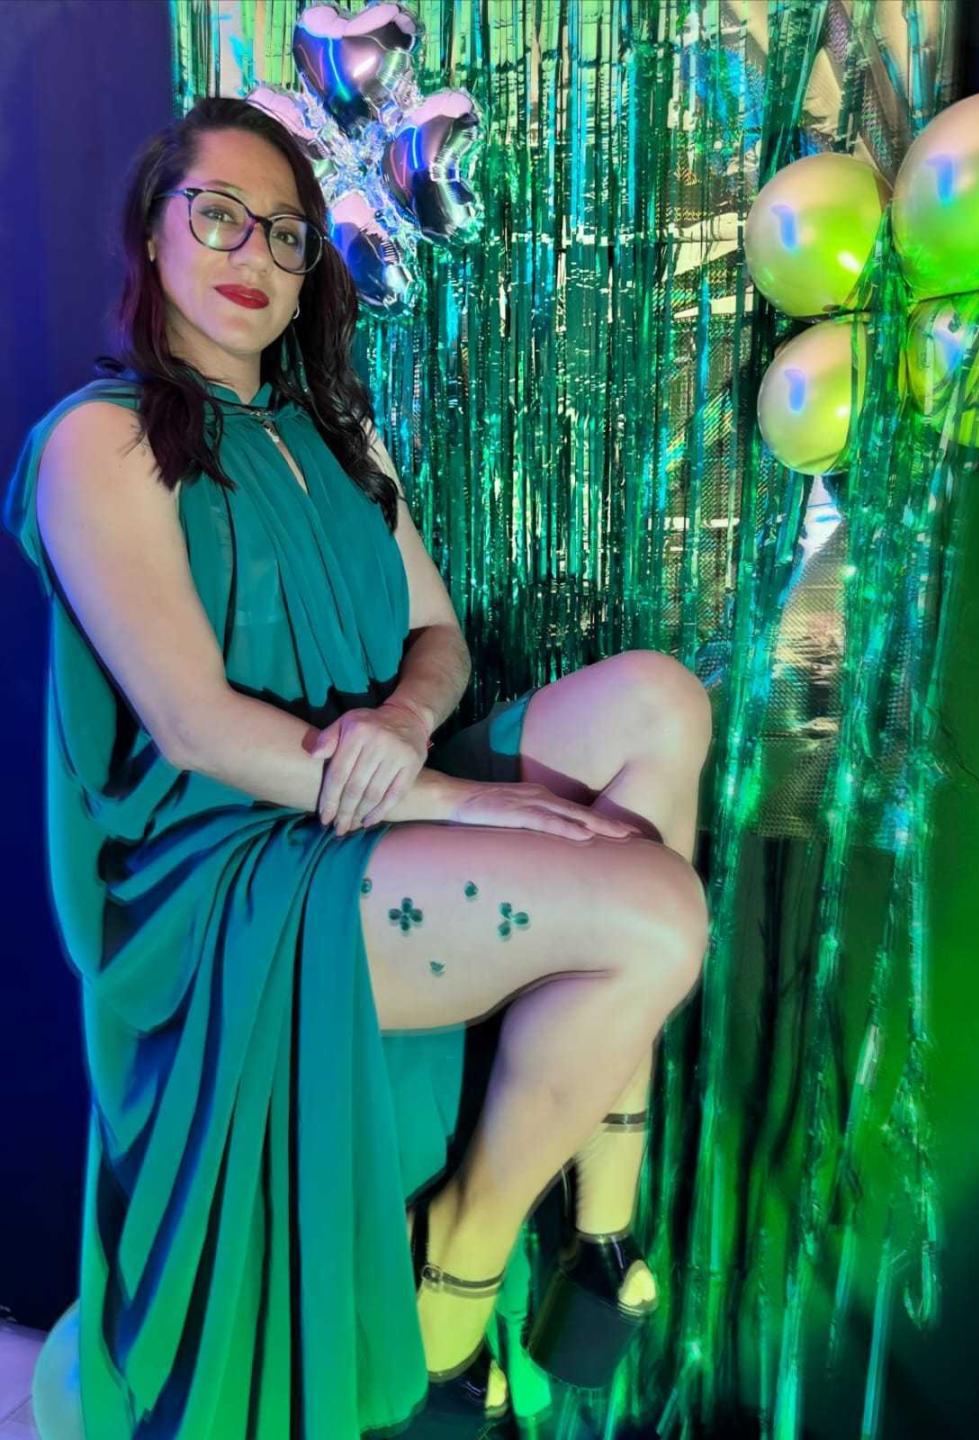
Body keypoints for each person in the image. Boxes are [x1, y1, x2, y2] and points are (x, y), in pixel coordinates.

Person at [3, 95, 712, 1438]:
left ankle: (602, 1226)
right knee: (658, 915)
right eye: (218, 215)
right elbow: (195, 726)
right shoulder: (100, 440)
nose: (254, 254)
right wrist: (449, 795)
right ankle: (464, 1270)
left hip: (368, 791)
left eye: (286, 233)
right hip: (232, 866)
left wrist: (402, 730)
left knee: (661, 703)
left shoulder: (337, 435)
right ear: (150, 233)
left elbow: (438, 636)